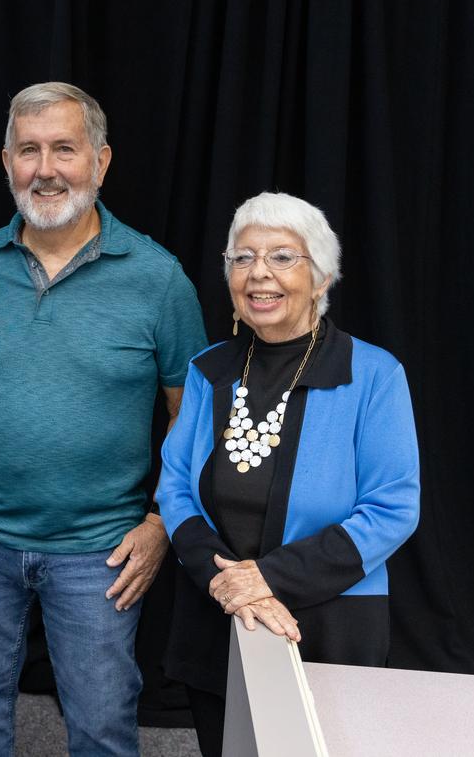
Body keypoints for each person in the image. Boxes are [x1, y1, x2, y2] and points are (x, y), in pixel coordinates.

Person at [0, 82, 208, 756]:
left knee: (103, 729)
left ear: (100, 162)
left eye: (64, 150)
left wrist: (163, 522)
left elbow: (187, 415)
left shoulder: (159, 279)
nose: (45, 169)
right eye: (29, 150)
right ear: (6, 162)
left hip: (99, 551)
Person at [155, 192, 420, 757]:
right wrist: (227, 582)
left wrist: (266, 578)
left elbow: (394, 507)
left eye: (282, 257)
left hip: (331, 622)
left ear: (320, 277)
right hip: (218, 610)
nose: (259, 275)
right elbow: (175, 486)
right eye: (243, 258)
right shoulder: (209, 371)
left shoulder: (372, 374)